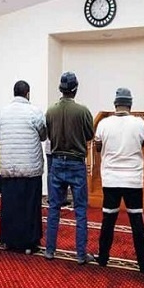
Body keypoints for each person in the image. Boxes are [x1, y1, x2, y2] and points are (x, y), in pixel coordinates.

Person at [95, 88, 144, 273]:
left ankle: (103, 257)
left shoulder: (104, 123)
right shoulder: (139, 123)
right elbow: (142, 144)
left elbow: (98, 147)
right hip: (133, 180)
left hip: (111, 179)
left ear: (115, 104)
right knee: (136, 221)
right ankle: (142, 262)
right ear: (130, 104)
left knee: (108, 220)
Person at [45, 71, 95, 265]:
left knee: (54, 208)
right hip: (76, 163)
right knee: (80, 210)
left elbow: (49, 134)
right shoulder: (83, 111)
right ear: (75, 89)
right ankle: (81, 254)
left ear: (61, 89)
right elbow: (89, 135)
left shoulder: (51, 111)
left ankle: (50, 250)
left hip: (57, 161)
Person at [0, 80, 47, 254]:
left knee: (10, 205)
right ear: (28, 94)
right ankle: (29, 243)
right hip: (30, 166)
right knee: (29, 207)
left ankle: (8, 240)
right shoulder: (34, 112)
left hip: (9, 166)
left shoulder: (2, 113)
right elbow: (43, 135)